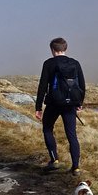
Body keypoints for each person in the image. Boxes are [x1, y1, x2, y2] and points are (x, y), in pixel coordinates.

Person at [34, 37, 86, 173]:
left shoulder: (48, 64)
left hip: (54, 103)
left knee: (47, 128)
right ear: (65, 49)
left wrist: (38, 107)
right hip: (70, 105)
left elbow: (43, 86)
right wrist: (79, 103)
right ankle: (76, 167)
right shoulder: (75, 63)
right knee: (71, 135)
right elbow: (81, 84)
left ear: (52, 50)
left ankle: (54, 160)